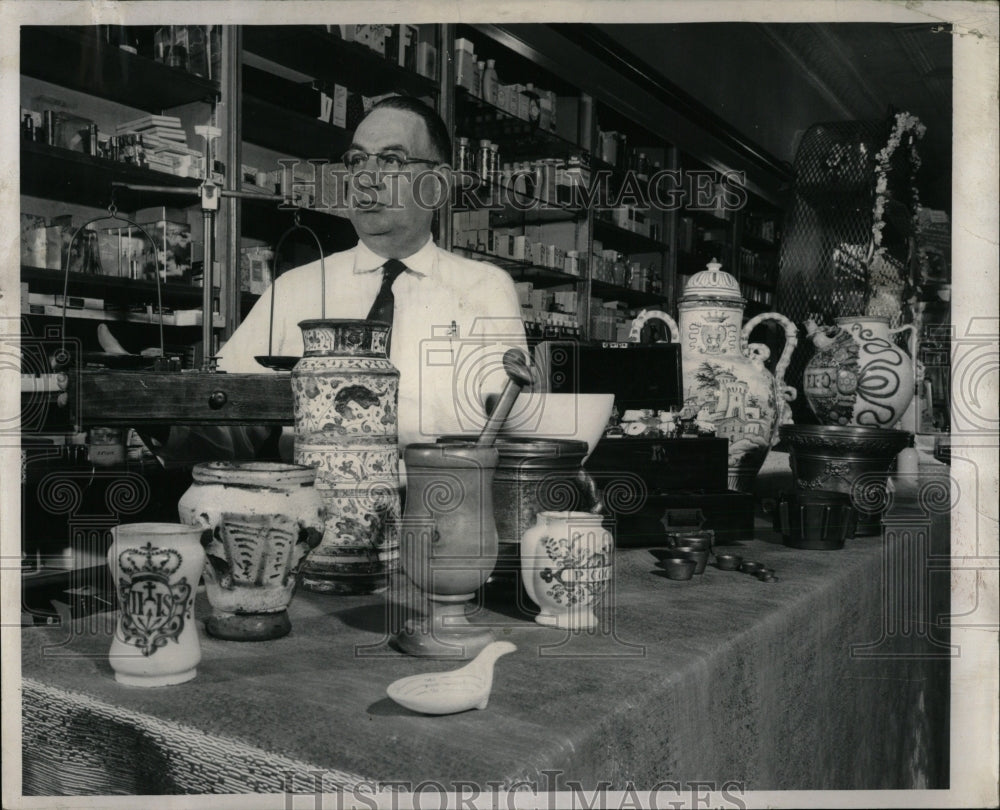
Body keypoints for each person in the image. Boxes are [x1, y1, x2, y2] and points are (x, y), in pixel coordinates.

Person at [148, 95, 526, 463]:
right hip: (311, 510)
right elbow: (226, 426)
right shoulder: (296, 289)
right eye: (357, 160)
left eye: (392, 160)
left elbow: (510, 431)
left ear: (438, 184)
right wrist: (152, 405)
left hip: (435, 507)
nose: (367, 178)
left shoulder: (485, 289)